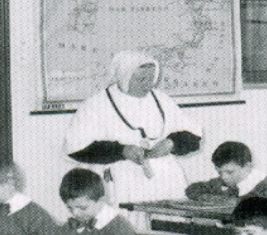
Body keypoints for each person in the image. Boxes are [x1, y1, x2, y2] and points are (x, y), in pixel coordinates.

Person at [64, 50, 202, 205]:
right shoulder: (95, 105)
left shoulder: (162, 99)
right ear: (124, 77)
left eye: (151, 79)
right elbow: (75, 148)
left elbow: (193, 136)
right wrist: (121, 150)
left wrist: (171, 143)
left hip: (165, 181)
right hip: (120, 182)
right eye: (140, 79)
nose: (147, 85)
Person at [185, 141, 267, 202]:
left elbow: (255, 203)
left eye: (230, 172)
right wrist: (209, 198)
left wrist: (226, 200)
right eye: (220, 172)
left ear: (248, 167)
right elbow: (192, 189)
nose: (224, 177)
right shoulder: (221, 182)